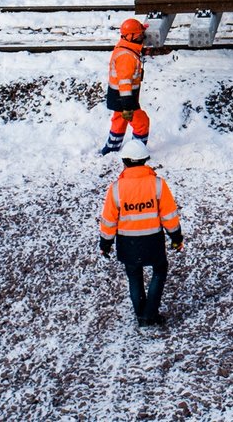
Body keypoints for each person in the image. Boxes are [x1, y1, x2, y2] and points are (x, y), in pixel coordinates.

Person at [97, 134, 184, 327]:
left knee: (134, 276)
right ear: (145, 160)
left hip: (128, 243)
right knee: (160, 271)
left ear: (125, 161)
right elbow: (169, 215)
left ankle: (140, 316)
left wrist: (105, 244)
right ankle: (150, 314)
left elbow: (109, 220)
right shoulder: (158, 184)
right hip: (153, 240)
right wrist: (176, 238)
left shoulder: (116, 189)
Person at [100, 18, 162, 154]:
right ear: (130, 36)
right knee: (142, 124)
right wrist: (128, 106)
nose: (142, 36)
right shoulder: (127, 57)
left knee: (119, 122)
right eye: (140, 34)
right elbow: (125, 82)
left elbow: (134, 50)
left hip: (117, 98)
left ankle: (111, 149)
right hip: (125, 99)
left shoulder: (125, 46)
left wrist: (149, 52)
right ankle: (136, 152)